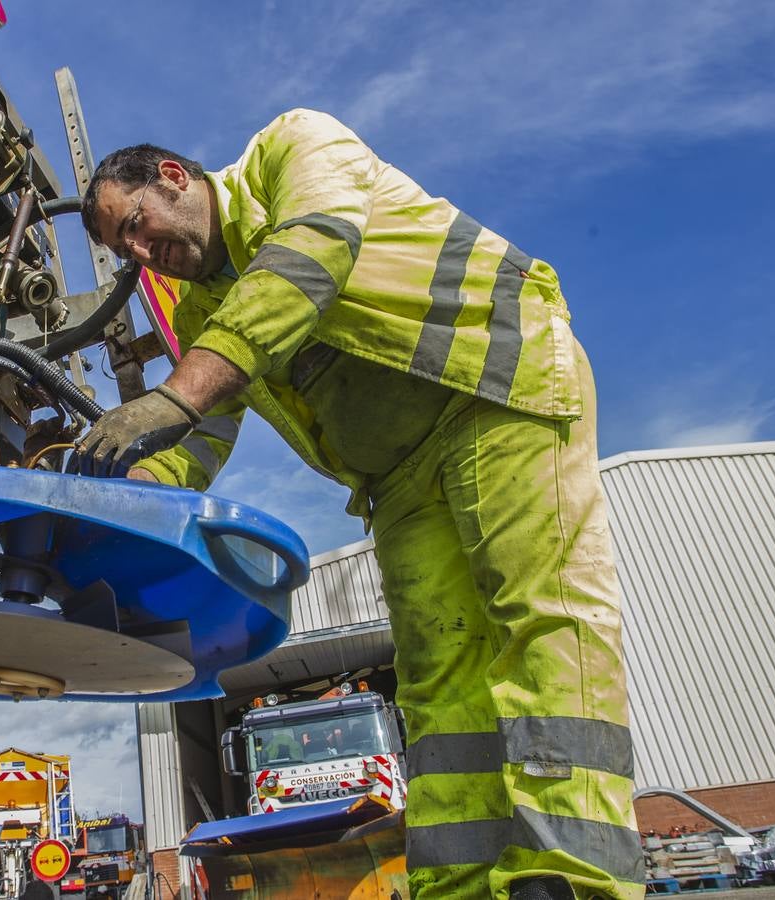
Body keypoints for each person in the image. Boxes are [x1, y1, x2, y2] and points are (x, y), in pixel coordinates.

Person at [78, 109, 644, 900]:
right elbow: (197, 439)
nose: (142, 255)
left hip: (493, 385)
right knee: (438, 677)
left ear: (174, 177)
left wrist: (176, 392)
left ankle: (570, 875)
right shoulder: (207, 316)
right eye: (125, 252)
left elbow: (312, 253)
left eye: (136, 227)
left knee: (540, 619)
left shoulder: (293, 148)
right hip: (400, 475)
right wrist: (112, 498)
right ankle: (461, 881)